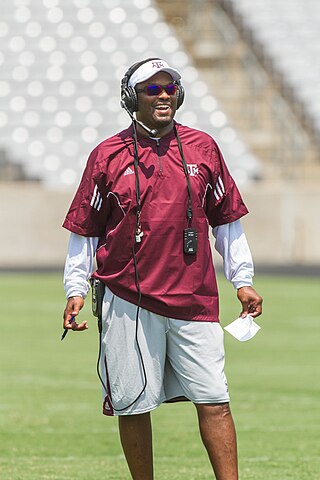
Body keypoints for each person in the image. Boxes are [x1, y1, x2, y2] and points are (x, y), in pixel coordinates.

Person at [62, 57, 263, 480]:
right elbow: (86, 229)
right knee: (133, 403)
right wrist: (75, 288)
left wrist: (242, 281)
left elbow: (227, 218)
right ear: (130, 97)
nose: (164, 95)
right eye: (152, 88)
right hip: (127, 298)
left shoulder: (205, 147)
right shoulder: (106, 155)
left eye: (169, 86)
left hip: (194, 298)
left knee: (215, 400)